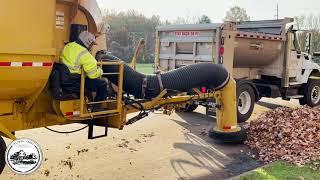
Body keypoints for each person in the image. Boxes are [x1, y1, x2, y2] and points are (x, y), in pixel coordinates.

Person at [60, 31, 107, 111]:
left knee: (86, 80)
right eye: (92, 44)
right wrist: (100, 70)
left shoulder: (68, 46)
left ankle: (85, 103)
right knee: (102, 83)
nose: (91, 46)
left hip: (64, 79)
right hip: (75, 82)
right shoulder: (85, 54)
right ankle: (96, 108)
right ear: (88, 42)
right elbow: (92, 75)